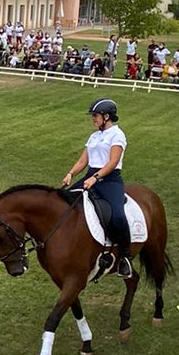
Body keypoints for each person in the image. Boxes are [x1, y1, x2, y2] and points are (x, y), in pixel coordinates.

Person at [64, 97, 134, 279]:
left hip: (110, 180)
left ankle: (125, 258)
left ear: (106, 116)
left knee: (118, 216)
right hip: (90, 176)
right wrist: (71, 174)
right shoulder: (94, 136)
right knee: (64, 202)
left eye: (95, 116)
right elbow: (83, 161)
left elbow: (113, 162)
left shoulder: (117, 135)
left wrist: (96, 178)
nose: (93, 119)